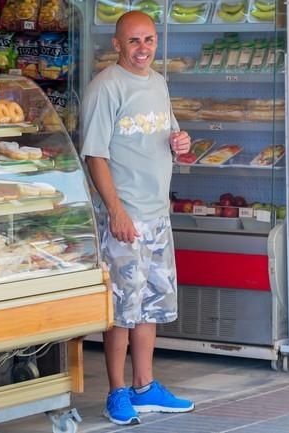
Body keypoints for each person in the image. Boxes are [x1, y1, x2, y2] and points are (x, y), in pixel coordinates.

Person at [80, 11, 194, 426]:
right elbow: (95, 155)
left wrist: (180, 142)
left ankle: (145, 387)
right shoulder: (105, 87)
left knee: (150, 307)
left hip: (156, 215)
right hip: (124, 218)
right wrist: (116, 211)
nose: (143, 48)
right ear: (117, 45)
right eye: (133, 41)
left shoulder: (159, 83)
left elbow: (171, 138)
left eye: (149, 40)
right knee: (121, 311)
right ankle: (116, 392)